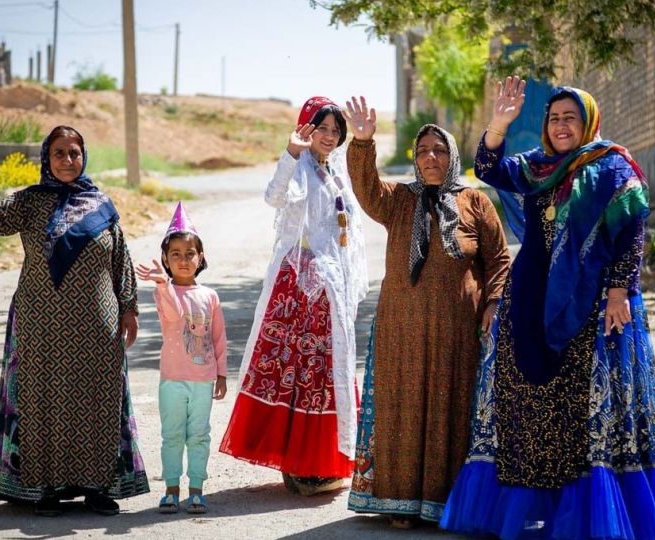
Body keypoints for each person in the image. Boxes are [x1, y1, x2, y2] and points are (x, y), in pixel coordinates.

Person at [440, 78, 655, 539]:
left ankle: (587, 512)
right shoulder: (536, 167)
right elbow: (488, 167)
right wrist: (498, 124)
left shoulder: (613, 167)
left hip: (592, 305)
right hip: (531, 299)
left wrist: (620, 291)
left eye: (569, 117)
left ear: (588, 122)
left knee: (584, 407)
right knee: (531, 400)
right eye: (554, 118)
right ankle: (535, 499)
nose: (560, 125)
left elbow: (633, 232)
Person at [342, 96, 511, 528]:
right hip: (402, 326)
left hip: (457, 328)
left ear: (452, 156)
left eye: (438, 150)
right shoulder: (398, 200)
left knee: (450, 409)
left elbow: (497, 259)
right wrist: (363, 142)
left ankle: (447, 502)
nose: (430, 157)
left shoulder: (475, 201)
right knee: (403, 407)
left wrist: (493, 302)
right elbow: (365, 189)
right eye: (422, 151)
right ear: (415, 160)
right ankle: (400, 501)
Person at [0, 126, 149, 517]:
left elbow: (120, 257)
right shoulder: (29, 202)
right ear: (46, 159)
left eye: (74, 152)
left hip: (97, 326)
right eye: (59, 153)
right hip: (39, 325)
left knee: (99, 401)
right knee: (40, 401)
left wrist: (129, 306)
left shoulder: (100, 204)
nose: (68, 160)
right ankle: (43, 488)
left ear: (84, 157)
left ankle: (97, 488)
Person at [219, 97, 368, 496]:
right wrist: (290, 153)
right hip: (299, 287)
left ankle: (321, 462)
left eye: (336, 131)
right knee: (297, 367)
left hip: (329, 287)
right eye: (323, 128)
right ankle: (299, 463)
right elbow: (274, 197)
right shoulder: (300, 166)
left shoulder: (335, 172)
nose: (331, 136)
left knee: (323, 366)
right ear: (306, 128)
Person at [136, 202, 227, 515]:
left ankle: (196, 490)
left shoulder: (210, 296)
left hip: (203, 381)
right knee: (172, 435)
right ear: (166, 259)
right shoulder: (163, 292)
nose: (184, 260)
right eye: (176, 254)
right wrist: (162, 283)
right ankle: (171, 489)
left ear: (200, 258)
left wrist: (223, 375)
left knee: (199, 435)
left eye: (190, 253)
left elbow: (218, 338)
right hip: (172, 379)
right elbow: (175, 313)